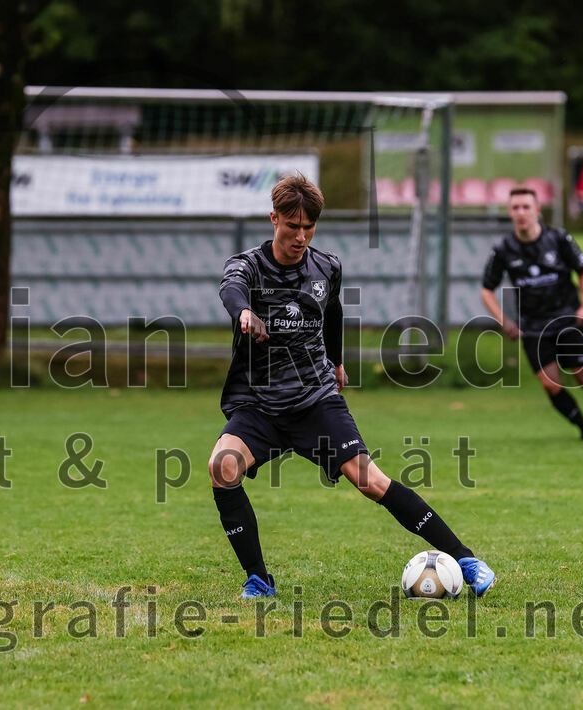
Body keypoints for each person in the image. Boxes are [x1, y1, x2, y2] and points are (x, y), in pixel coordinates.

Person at [210, 174, 495, 599]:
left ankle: (466, 559)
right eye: (292, 226)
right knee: (222, 467)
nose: (301, 236)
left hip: (315, 400)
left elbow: (334, 313)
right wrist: (245, 312)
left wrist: (338, 361)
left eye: (309, 228)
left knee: (370, 481)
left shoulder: (327, 266)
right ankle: (258, 579)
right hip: (260, 404)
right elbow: (230, 288)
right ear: (274, 219)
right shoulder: (248, 265)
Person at [481, 186, 583, 439]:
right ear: (510, 213)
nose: (521, 212)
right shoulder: (503, 250)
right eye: (516, 208)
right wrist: (504, 321)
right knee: (550, 384)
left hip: (567, 317)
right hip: (533, 327)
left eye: (526, 207)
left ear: (537, 210)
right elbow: (486, 290)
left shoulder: (558, 239)